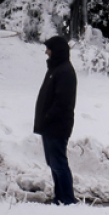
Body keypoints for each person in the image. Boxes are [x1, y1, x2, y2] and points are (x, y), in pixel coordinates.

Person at [34, 35, 79, 206]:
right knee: (53, 162)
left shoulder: (65, 71)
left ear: (56, 51)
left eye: (49, 49)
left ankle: (67, 199)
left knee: (59, 163)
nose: (46, 52)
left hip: (57, 125)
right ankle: (59, 197)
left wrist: (48, 117)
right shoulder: (55, 69)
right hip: (49, 126)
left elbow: (63, 102)